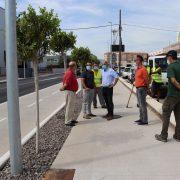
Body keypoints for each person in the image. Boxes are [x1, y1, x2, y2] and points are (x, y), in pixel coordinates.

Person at [155, 50, 180, 142]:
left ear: (170, 57)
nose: (167, 60)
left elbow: (173, 80)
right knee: (179, 117)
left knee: (166, 115)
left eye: (167, 58)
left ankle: (163, 136)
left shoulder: (171, 67)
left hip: (172, 96)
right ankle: (178, 135)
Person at [60, 61, 78, 127]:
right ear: (73, 66)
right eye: (75, 65)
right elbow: (66, 83)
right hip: (70, 92)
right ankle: (67, 121)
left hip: (72, 92)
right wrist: (62, 88)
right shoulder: (69, 73)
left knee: (71, 106)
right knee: (69, 106)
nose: (76, 66)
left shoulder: (71, 73)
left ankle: (71, 119)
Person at [134, 55, 149, 125]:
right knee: (139, 104)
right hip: (137, 88)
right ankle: (141, 118)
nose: (135, 61)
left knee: (143, 105)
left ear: (140, 61)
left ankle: (145, 120)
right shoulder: (137, 69)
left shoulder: (143, 69)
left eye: (136, 60)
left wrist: (147, 88)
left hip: (142, 88)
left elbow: (147, 79)